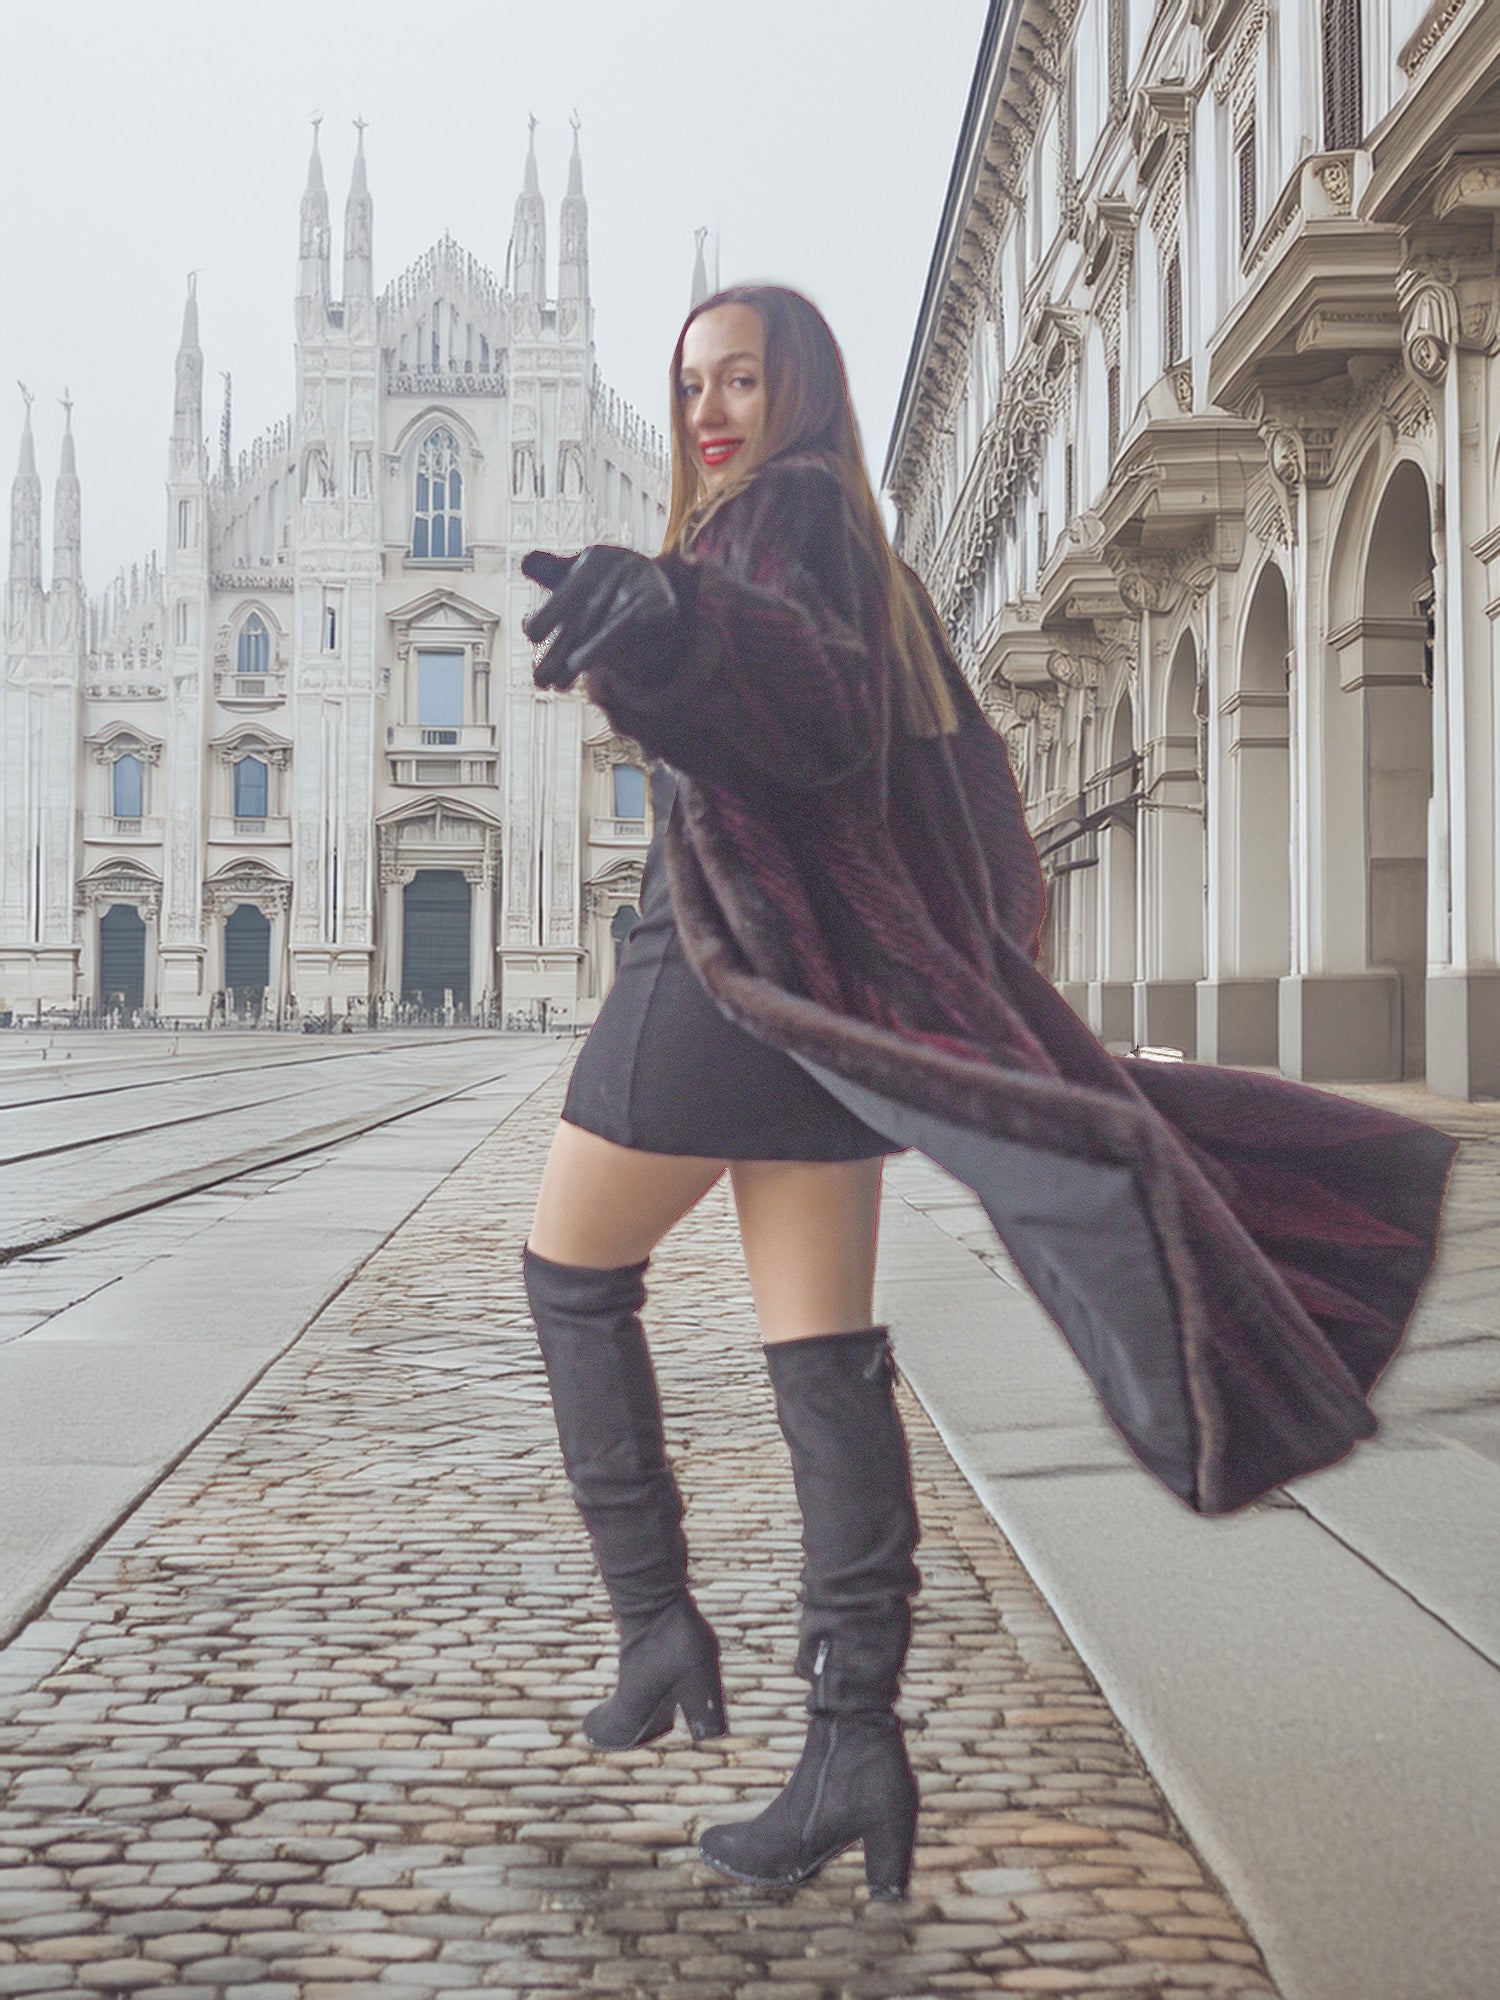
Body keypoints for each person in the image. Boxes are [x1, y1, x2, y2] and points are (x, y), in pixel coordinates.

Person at [519, 286, 1455, 1903]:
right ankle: (851, 1746)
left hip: (715, 977)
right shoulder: (859, 552)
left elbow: (801, 706)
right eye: (690, 389)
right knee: (821, 1354)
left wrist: (672, 630)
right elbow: (944, 789)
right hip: (813, 1006)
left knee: (568, 1271)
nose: (709, 413)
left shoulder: (787, 520)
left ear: (802, 391)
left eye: (741, 378)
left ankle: (658, 1623)